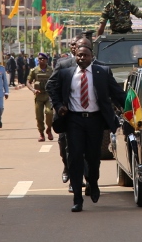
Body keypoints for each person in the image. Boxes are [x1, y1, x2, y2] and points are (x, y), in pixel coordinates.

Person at [49, 45, 126, 212]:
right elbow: (53, 90)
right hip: (74, 120)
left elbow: (117, 93)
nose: (82, 58)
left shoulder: (102, 72)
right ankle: (77, 198)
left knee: (93, 158)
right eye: (79, 55)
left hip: (95, 121)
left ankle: (93, 182)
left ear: (92, 57)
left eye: (85, 55)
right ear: (75, 56)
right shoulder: (66, 74)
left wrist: (132, 107)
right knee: (75, 157)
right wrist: (59, 105)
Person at [45, 34, 88, 188]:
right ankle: (67, 168)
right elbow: (51, 86)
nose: (73, 46)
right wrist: (57, 106)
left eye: (75, 44)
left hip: (84, 115)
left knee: (82, 148)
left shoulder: (90, 63)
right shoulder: (63, 64)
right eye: (71, 44)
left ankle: (79, 180)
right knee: (65, 146)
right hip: (65, 114)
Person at [27, 52, 54, 142]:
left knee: (49, 112)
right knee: (39, 117)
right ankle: (41, 133)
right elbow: (28, 82)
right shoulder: (34, 70)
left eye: (43, 59)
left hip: (48, 95)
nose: (41, 60)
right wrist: (33, 90)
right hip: (38, 96)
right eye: (40, 59)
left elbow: (55, 81)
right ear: (37, 60)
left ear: (47, 60)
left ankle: (49, 129)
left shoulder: (51, 70)